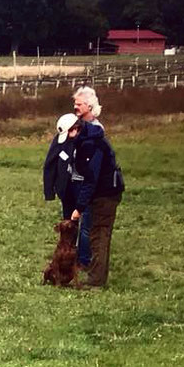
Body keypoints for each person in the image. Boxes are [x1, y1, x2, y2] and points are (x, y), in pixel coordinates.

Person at [72, 118, 124, 288]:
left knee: (99, 236)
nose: (70, 138)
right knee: (102, 235)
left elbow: (90, 179)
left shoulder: (91, 145)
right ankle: (98, 277)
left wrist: (79, 208)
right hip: (106, 193)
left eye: (71, 134)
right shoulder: (89, 140)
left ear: (76, 129)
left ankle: (95, 281)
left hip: (105, 195)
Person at [43, 114, 83, 220]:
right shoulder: (59, 141)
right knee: (68, 221)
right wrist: (49, 191)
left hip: (83, 187)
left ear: (76, 128)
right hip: (66, 188)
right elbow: (50, 164)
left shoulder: (87, 140)